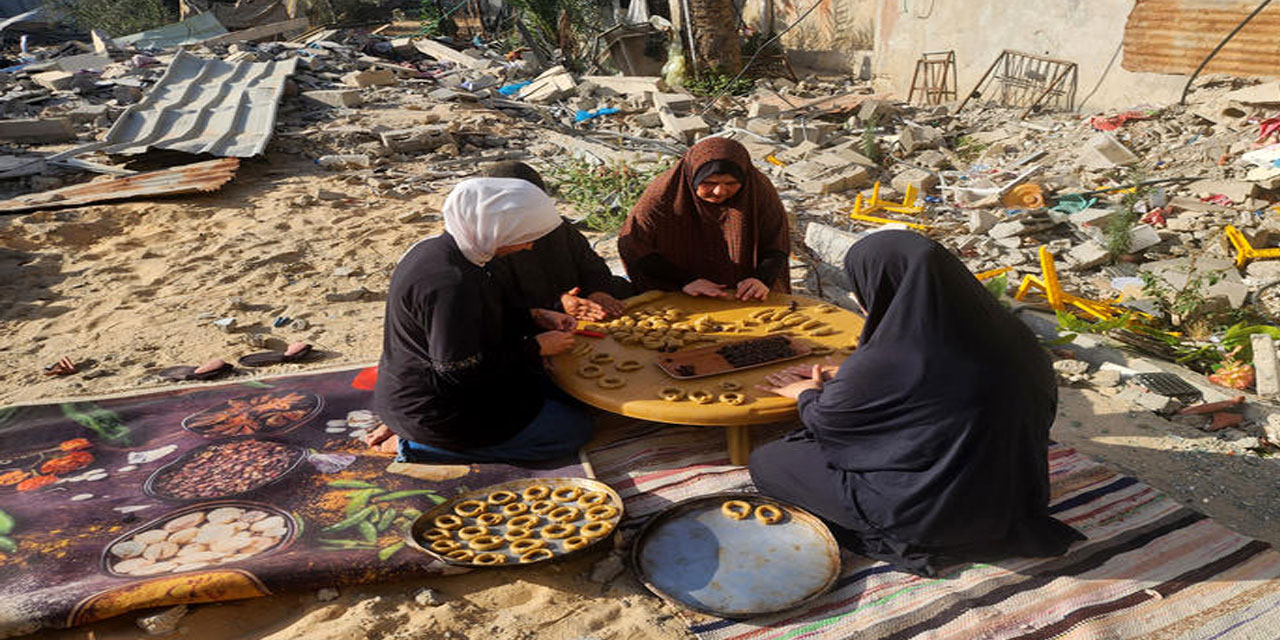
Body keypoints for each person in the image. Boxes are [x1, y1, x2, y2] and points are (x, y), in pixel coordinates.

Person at [750, 230, 1084, 577]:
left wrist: (806, 394)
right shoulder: (1012, 335)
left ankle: (897, 537)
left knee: (771, 460)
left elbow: (831, 423)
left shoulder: (887, 359)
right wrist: (853, 379)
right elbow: (937, 391)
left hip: (933, 514)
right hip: (1013, 500)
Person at [366, 177, 594, 464]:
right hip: (439, 408)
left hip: (445, 388)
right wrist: (535, 348)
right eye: (524, 236)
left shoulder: (450, 251)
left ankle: (409, 428)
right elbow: (458, 370)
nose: (529, 246)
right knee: (573, 430)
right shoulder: (450, 283)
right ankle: (417, 446)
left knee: (571, 394)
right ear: (498, 229)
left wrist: (535, 317)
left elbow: (481, 317)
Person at [618, 137, 790, 301]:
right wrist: (685, 281)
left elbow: (776, 243)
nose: (719, 192)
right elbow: (633, 245)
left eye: (730, 184)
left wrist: (761, 279)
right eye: (709, 183)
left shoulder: (758, 189)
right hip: (678, 287)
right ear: (692, 177)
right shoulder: (664, 193)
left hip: (742, 290)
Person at [484, 161, 631, 321]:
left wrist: (598, 292)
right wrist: (558, 304)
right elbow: (500, 306)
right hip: (533, 320)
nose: (529, 243)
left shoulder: (555, 226)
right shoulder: (488, 245)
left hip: (582, 305)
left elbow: (591, 265)